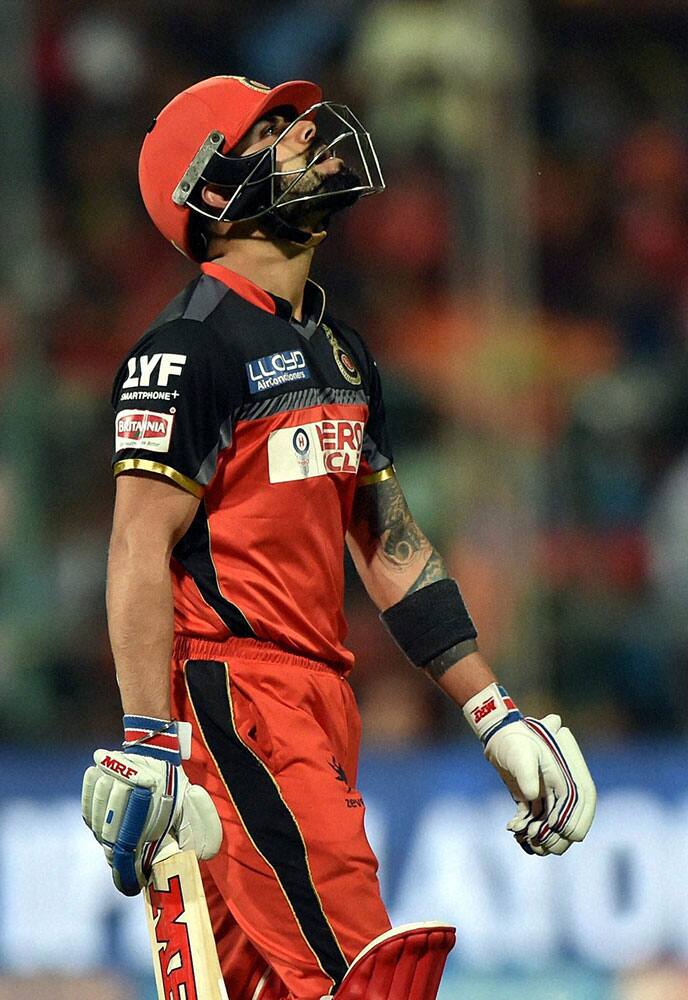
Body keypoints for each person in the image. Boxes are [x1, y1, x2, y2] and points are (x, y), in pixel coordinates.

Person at [81, 76, 596, 1000]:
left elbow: (389, 544)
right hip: (234, 700)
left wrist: (493, 712)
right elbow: (136, 548)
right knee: (364, 976)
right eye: (272, 131)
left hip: (317, 701)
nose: (305, 140)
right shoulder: (186, 348)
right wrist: (149, 736)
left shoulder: (341, 348)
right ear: (210, 187)